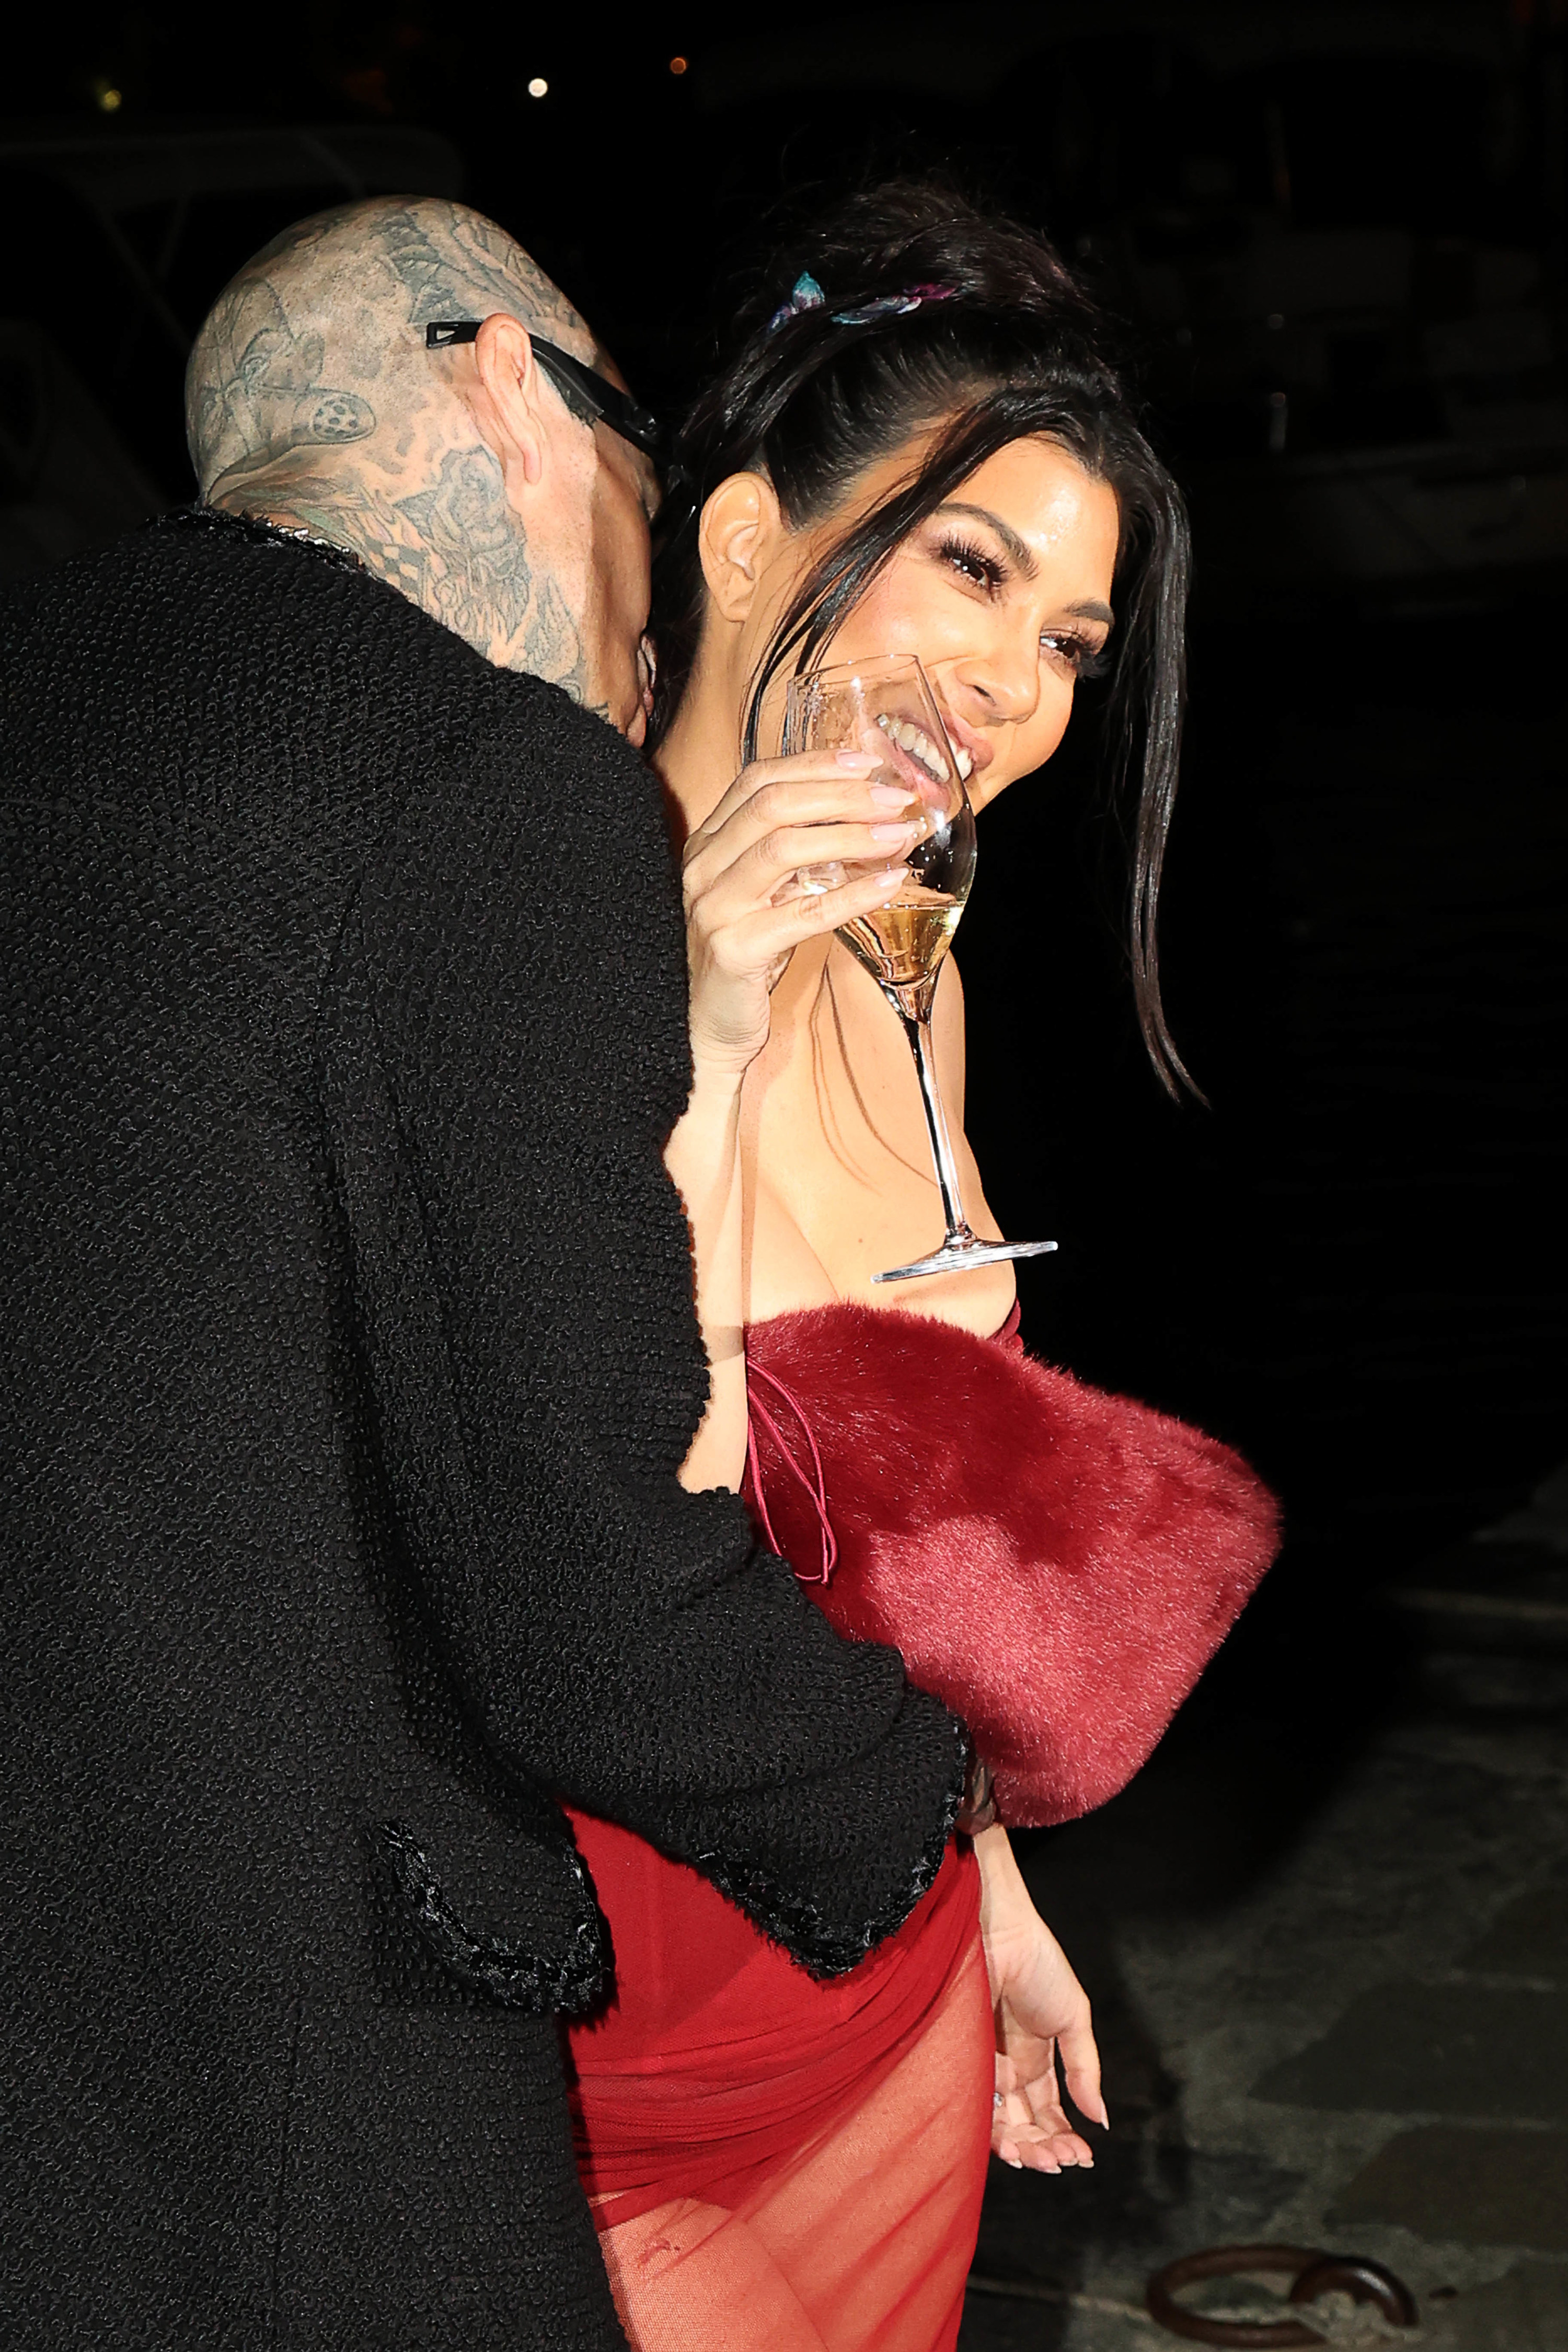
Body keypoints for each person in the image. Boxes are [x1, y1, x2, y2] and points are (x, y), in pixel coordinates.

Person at [0, 196, 977, 2351]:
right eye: (636, 442)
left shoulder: (52, 689)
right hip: (294, 2063)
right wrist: (921, 1791)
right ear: (507, 386)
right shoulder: (488, 778)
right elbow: (578, 1589)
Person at [562, 182, 1280, 2351]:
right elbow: (592, 1521)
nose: (1015, 685)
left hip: (887, 2003)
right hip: (607, 2054)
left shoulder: (912, 976)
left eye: (1071, 640)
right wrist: (687, 1021)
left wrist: (992, 1888)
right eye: (973, 564)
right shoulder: (525, 927)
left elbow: (904, 1564)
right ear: (750, 537)